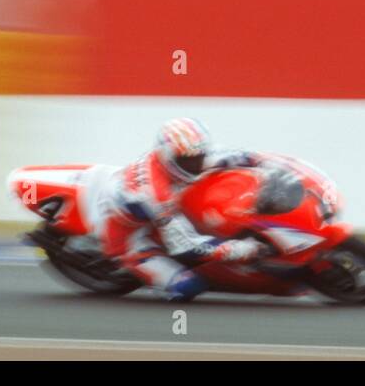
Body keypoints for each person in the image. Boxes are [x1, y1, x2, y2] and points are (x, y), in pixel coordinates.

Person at [79, 118, 270, 301]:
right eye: (189, 161)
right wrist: (241, 249)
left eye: (199, 157)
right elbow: (187, 246)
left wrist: (268, 164)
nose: (196, 165)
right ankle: (136, 267)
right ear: (168, 157)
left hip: (157, 213)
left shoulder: (186, 153)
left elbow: (237, 156)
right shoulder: (155, 194)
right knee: (189, 285)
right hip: (129, 235)